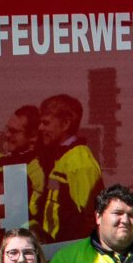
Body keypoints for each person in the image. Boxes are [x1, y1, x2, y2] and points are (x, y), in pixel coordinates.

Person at [31, 94, 99, 243]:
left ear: (66, 123)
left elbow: (89, 218)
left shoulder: (80, 162)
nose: (40, 128)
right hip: (54, 248)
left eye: (46, 123)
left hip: (71, 250)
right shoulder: (57, 157)